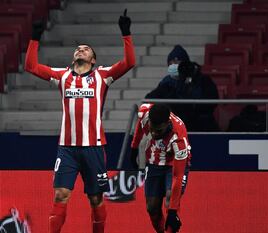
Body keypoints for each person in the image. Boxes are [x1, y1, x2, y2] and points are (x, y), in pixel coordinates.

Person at [24, 9, 135, 233]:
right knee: (60, 194)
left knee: (95, 199)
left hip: (94, 148)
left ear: (93, 60)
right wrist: (34, 38)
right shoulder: (62, 76)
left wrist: (126, 34)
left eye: (85, 49)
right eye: (78, 49)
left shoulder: (103, 76)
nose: (80, 50)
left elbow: (129, 63)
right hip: (67, 149)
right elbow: (31, 67)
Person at [130, 103, 191, 233]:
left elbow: (177, 176)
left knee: (170, 201)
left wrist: (173, 211)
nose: (153, 133)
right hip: (154, 161)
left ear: (167, 124)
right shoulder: (145, 113)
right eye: (152, 128)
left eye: (158, 131)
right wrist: (134, 148)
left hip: (174, 164)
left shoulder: (179, 139)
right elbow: (140, 127)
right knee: (152, 208)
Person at [146, 45, 219, 131]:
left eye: (178, 61)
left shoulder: (202, 80)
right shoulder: (166, 83)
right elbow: (149, 99)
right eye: (171, 62)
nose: (175, 64)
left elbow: (211, 101)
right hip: (174, 126)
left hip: (199, 125)